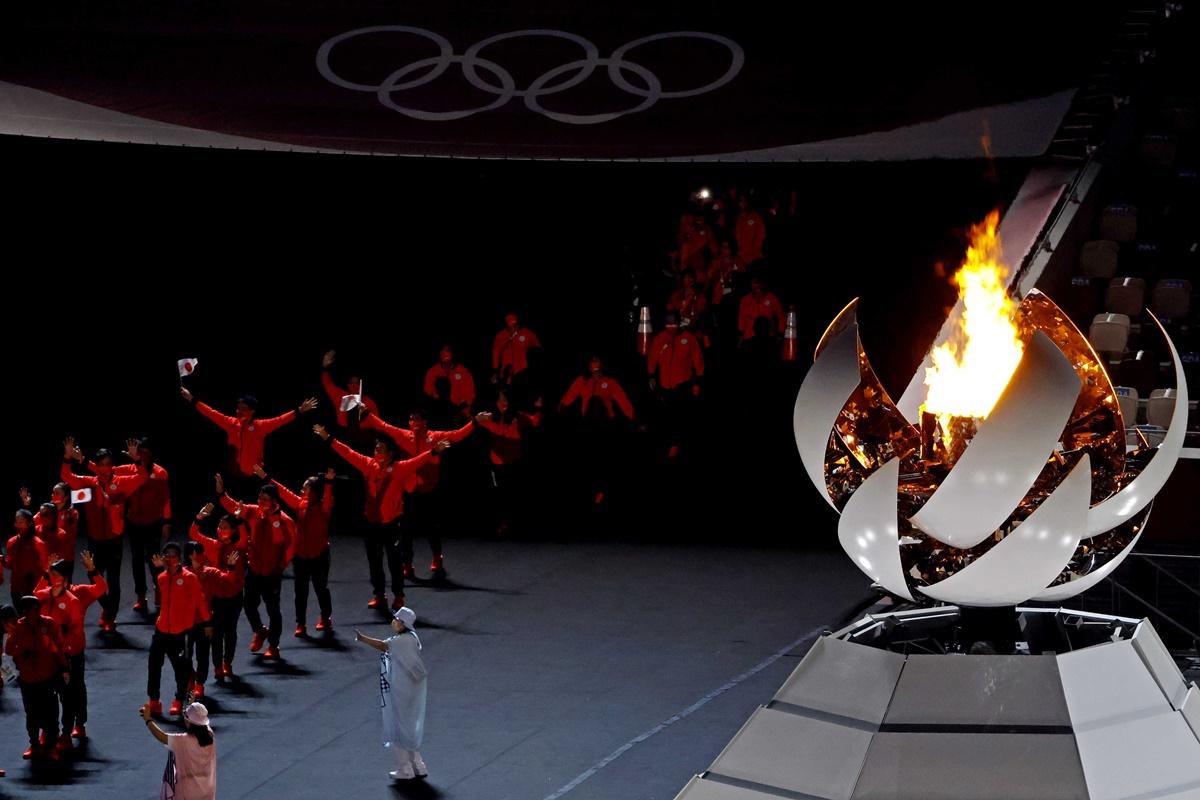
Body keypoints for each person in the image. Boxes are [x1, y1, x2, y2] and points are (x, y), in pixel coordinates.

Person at [314, 425, 445, 611]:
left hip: (391, 524)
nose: (377, 450)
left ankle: (399, 596)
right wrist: (328, 438)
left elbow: (418, 461)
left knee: (394, 562)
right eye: (376, 448)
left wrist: (433, 451)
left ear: (391, 453)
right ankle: (379, 595)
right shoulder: (368, 465)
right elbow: (347, 452)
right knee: (374, 561)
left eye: (381, 448)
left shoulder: (399, 468)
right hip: (371, 522)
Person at [361, 409, 476, 581]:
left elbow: (458, 435)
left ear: (424, 422)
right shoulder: (403, 436)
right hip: (409, 490)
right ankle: (407, 564)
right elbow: (384, 426)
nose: (413, 422)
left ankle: (437, 557)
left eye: (416, 419)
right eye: (411, 419)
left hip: (429, 489)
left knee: (432, 526)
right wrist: (367, 414)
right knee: (406, 530)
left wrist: (475, 422)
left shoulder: (435, 437)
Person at [60, 436, 150, 632]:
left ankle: (110, 616)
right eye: (101, 464)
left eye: (108, 464)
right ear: (97, 466)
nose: (105, 468)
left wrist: (136, 460)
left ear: (112, 466)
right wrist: (67, 458)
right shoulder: (89, 484)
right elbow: (67, 478)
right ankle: (108, 610)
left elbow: (142, 477)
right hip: (95, 541)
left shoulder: (121, 482)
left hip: (114, 540)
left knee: (114, 582)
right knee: (95, 580)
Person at [251, 464, 334, 636]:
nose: (301, 489)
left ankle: (325, 617)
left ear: (315, 491)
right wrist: (266, 477)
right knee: (300, 591)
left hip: (319, 556)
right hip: (301, 556)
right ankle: (301, 623)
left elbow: (328, 497)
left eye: (305, 487)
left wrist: (328, 482)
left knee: (321, 588)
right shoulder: (300, 504)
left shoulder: (324, 508)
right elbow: (282, 491)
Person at [34, 552, 106, 749]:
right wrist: (44, 573)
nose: (53, 577)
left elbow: (101, 588)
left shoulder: (79, 593)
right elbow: (33, 598)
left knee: (75, 690)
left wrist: (92, 570)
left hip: (72, 652)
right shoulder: (46, 594)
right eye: (52, 573)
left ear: (65, 577)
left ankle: (79, 723)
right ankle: (46, 730)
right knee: (47, 693)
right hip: (50, 653)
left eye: (56, 573)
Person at [217, 480, 295, 660]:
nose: (261, 502)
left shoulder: (284, 521)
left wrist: (282, 565)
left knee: (273, 611)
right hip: (253, 569)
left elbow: (289, 545)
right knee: (249, 605)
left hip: (272, 573)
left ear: (275, 501)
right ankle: (259, 631)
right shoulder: (253, 512)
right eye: (259, 498)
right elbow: (234, 506)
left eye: (265, 499)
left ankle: (273, 645)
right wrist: (222, 494)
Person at [180, 386, 318, 484]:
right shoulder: (231, 423)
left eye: (243, 409)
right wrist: (191, 399)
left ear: (252, 412)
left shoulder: (260, 427)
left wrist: (299, 411)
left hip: (253, 477)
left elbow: (280, 420)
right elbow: (210, 412)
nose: (238, 412)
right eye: (238, 408)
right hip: (232, 475)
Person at [355, 606, 428, 781]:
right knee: (409, 726)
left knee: (398, 726)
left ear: (403, 624)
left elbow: (383, 645)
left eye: (397, 619)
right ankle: (418, 764)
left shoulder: (401, 641)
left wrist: (362, 638)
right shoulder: (412, 639)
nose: (393, 621)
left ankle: (405, 768)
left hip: (401, 687)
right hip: (413, 687)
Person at [559, 357, 636, 506]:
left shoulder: (610, 383)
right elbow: (569, 395)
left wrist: (634, 417)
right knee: (589, 458)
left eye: (598, 366)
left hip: (605, 426)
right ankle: (589, 489)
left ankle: (603, 491)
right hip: (588, 425)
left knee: (603, 459)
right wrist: (561, 405)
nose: (595, 370)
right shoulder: (582, 381)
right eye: (592, 365)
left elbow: (623, 400)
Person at [143, 542, 206, 718]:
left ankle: (178, 701)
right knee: (154, 664)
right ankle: (154, 701)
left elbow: (199, 600)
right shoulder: (161, 577)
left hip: (181, 632)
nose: (169, 558)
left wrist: (207, 622)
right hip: (161, 629)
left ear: (179, 559)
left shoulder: (189, 578)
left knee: (181, 668)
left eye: (173, 555)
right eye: (166, 555)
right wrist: (157, 571)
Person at [4, 595, 68, 760]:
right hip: (28, 679)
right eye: (33, 608)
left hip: (48, 675)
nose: (37, 611)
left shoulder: (49, 623)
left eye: (37, 608)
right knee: (31, 714)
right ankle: (34, 744)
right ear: (26, 611)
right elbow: (10, 650)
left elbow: (59, 647)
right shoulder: (19, 627)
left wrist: (64, 668)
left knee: (51, 712)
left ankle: (51, 746)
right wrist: (17, 644)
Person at [188, 506, 247, 681]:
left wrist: (240, 519)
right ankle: (218, 666)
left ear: (234, 530)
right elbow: (194, 534)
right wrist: (199, 517)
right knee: (216, 633)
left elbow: (244, 536)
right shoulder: (214, 546)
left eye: (225, 527)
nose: (221, 530)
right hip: (217, 598)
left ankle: (227, 662)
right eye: (219, 527)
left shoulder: (239, 547)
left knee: (230, 631)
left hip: (234, 596)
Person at [115, 438, 172, 615]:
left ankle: (159, 589)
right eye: (141, 452)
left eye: (147, 452)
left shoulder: (160, 473)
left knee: (153, 559)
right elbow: (108, 474)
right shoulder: (129, 470)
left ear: (152, 453)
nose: (144, 456)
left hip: (153, 523)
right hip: (134, 523)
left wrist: (167, 522)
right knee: (136, 561)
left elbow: (166, 500)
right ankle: (141, 596)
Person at [474, 391, 541, 535]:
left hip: (514, 462)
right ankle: (501, 524)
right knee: (499, 495)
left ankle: (514, 525)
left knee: (514, 493)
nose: (503, 403)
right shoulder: (489, 418)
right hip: (496, 463)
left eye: (506, 400)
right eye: (500, 400)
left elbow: (535, 421)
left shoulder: (520, 417)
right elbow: (473, 423)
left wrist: (539, 408)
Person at [183, 540, 242, 697]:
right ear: (190, 556)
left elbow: (228, 581)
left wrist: (231, 567)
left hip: (205, 623)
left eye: (202, 552)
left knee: (203, 655)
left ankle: (199, 684)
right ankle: (190, 676)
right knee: (184, 655)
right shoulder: (182, 574)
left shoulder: (211, 573)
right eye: (198, 553)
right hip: (185, 623)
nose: (202, 555)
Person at [648, 312, 705, 459]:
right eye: (668, 324)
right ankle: (670, 442)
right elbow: (653, 357)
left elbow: (697, 360)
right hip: (665, 385)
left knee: (679, 416)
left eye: (674, 324)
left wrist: (698, 382)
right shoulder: (660, 339)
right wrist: (651, 375)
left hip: (683, 385)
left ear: (679, 324)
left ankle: (676, 444)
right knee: (668, 415)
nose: (671, 328)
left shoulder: (689, 339)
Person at [142, 701, 217, 800]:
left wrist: (148, 720)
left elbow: (161, 736)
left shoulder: (182, 741)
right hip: (207, 793)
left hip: (186, 794)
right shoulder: (210, 737)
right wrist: (192, 708)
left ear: (188, 721)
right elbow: (200, 723)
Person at [321, 350, 379, 429]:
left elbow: (377, 425)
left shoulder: (369, 402)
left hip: (364, 435)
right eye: (352, 381)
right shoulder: (343, 396)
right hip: (345, 434)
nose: (355, 382)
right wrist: (325, 368)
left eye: (357, 381)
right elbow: (328, 384)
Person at [5, 510, 50, 604]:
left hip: (33, 590)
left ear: (29, 523)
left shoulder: (38, 544)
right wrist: (2, 561)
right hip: (16, 588)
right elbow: (9, 565)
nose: (18, 525)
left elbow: (45, 568)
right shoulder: (10, 542)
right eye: (16, 522)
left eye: (21, 522)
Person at [491, 313, 541, 385]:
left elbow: (537, 346)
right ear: (506, 326)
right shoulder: (500, 337)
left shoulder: (526, 333)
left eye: (515, 325)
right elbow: (496, 354)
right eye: (510, 326)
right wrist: (495, 371)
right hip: (507, 374)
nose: (514, 328)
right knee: (507, 393)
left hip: (523, 372)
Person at [424, 345, 476, 413]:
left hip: (460, 412)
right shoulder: (433, 372)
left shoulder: (463, 371)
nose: (446, 364)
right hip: (440, 410)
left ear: (453, 357)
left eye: (448, 360)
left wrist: (459, 408)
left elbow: (470, 394)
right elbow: (428, 391)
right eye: (444, 361)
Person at [737, 276, 785, 340]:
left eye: (760, 282)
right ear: (751, 284)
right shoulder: (745, 300)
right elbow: (741, 319)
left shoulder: (772, 299)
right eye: (755, 283)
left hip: (768, 338)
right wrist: (741, 336)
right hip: (749, 338)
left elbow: (782, 317)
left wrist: (780, 333)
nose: (758, 285)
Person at [734, 195, 766, 265]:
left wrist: (755, 251)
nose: (742, 203)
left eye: (744, 201)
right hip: (740, 257)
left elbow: (761, 235)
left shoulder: (756, 217)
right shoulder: (737, 218)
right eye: (741, 201)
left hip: (754, 257)